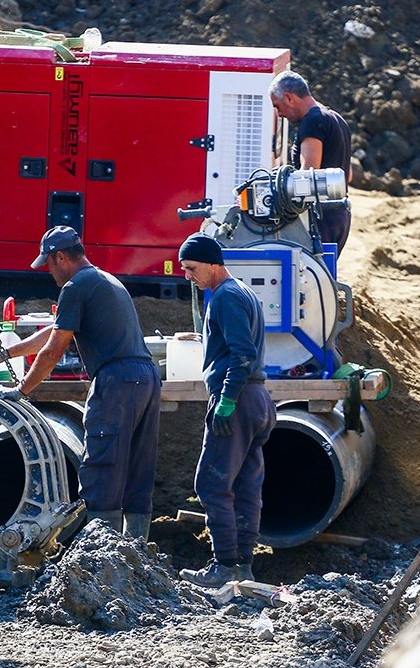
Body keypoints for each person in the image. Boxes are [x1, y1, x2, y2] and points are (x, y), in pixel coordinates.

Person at [0, 226, 161, 539]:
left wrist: (21, 391)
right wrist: (3, 353)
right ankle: (136, 549)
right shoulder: (103, 280)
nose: (49, 272)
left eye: (48, 263)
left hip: (116, 381)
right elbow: (52, 332)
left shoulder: (76, 286)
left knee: (102, 465)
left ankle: (103, 555)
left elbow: (53, 350)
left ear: (61, 257)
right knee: (138, 465)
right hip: (146, 378)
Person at [176, 233, 276, 587]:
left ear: (213, 264)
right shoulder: (241, 292)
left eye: (192, 267)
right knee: (247, 485)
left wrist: (227, 400)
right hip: (259, 399)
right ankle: (243, 568)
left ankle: (224, 566)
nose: (187, 275)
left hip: (238, 400)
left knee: (212, 484)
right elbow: (237, 345)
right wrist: (204, 340)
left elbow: (242, 355)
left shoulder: (225, 298)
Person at [269, 70, 353, 252]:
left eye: (277, 106)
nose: (279, 113)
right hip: (340, 216)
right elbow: (349, 176)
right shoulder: (337, 119)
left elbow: (307, 177)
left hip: (320, 219)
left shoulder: (312, 121)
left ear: (289, 97)